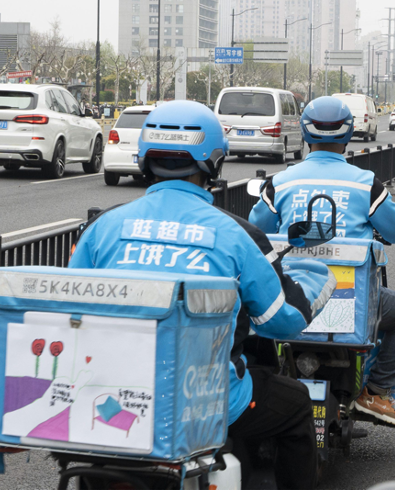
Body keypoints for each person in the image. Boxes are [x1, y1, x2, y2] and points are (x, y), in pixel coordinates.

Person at [68, 100, 322, 489]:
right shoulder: (235, 235)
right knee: (297, 406)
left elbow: (69, 309)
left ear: (144, 159)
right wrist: (308, 293)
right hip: (206, 401)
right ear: (214, 162)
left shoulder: (103, 228)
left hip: (111, 396)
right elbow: (279, 322)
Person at [248, 96, 395, 426]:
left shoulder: (281, 182)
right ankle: (376, 392)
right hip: (351, 300)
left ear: (305, 133)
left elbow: (256, 229)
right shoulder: (364, 183)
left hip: (292, 296)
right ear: (347, 136)